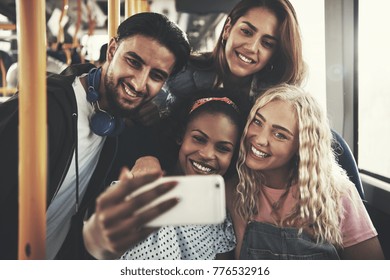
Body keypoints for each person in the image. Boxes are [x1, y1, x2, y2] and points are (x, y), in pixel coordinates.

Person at [0, 12, 190, 260]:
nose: (139, 83)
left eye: (156, 76)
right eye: (133, 62)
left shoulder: (121, 122)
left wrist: (148, 156)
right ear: (112, 50)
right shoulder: (41, 109)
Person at [228, 84, 384, 260]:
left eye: (279, 135)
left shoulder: (338, 194)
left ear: (302, 147)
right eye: (257, 122)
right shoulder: (235, 191)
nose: (260, 139)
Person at [115, 88, 247, 260]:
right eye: (199, 139)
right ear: (180, 135)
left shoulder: (219, 218)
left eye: (223, 148)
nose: (207, 154)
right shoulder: (140, 189)